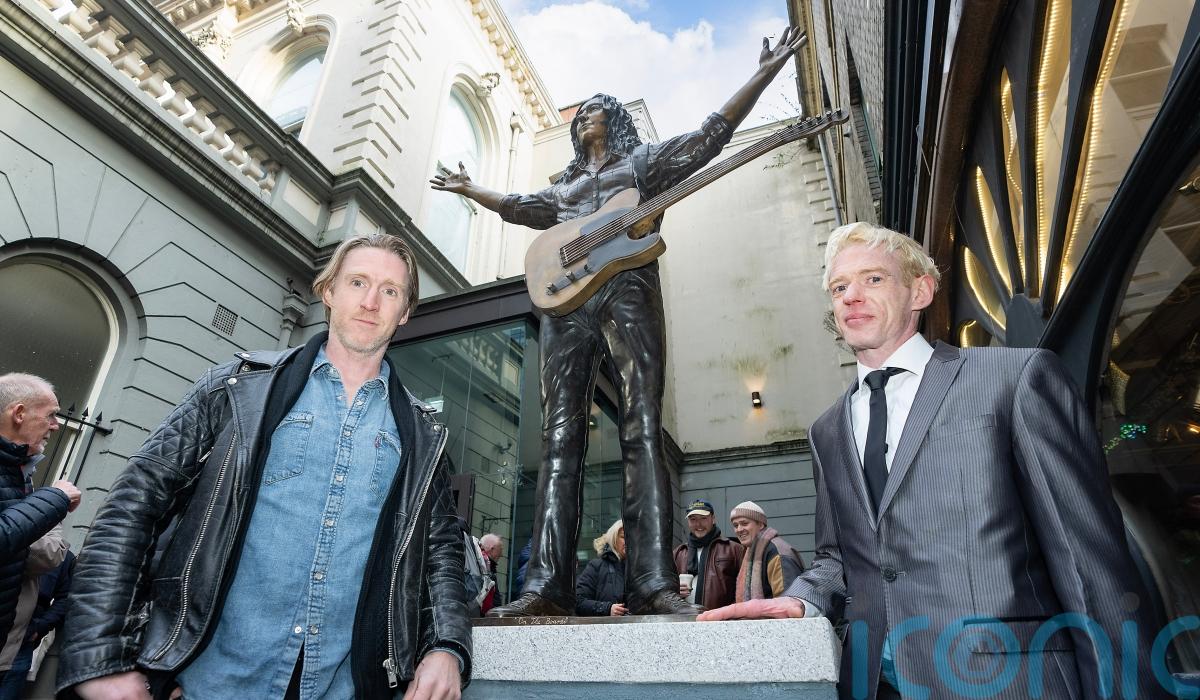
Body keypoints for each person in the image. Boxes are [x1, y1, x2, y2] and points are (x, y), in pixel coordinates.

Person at [699, 222, 1171, 699]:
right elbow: (838, 558)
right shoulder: (826, 430)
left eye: (873, 279)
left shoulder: (1014, 379)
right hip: (875, 684)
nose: (851, 296)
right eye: (839, 287)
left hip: (1006, 681)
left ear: (920, 291)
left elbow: (1087, 562)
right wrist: (802, 600)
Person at [434, 27, 807, 619]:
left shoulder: (641, 163)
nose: (585, 115)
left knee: (642, 425)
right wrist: (470, 188)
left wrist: (762, 74)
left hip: (629, 288)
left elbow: (709, 137)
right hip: (564, 303)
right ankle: (546, 587)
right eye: (580, 112)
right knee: (559, 439)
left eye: (596, 108)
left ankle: (652, 583)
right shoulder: (563, 188)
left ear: (616, 120)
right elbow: (518, 207)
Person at [58, 234, 471, 700]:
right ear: (329, 290)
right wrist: (99, 657)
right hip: (208, 683)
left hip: (342, 688)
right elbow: (132, 507)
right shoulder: (236, 389)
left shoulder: (422, 433)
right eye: (358, 282)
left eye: (390, 291)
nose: (371, 302)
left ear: (406, 311)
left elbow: (441, 553)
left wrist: (446, 647)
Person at [0, 374, 80, 690]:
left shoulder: (17, 472)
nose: (56, 425)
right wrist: (54, 498)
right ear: (19, 413)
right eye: (50, 415)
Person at [0, 550, 75, 699]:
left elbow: (65, 598)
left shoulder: (62, 555)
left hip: (23, 641)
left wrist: (40, 627)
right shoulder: (12, 541)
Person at [672, 499, 741, 610]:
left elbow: (745, 590)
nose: (698, 524)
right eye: (693, 519)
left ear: (713, 519)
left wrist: (730, 614)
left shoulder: (733, 549)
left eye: (703, 518)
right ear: (688, 522)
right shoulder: (678, 553)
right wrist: (675, 591)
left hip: (721, 618)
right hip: (685, 617)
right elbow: (665, 591)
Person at [728, 501, 803, 602]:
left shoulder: (777, 552)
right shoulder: (751, 551)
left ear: (760, 524)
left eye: (744, 523)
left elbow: (787, 603)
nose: (739, 529)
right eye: (735, 525)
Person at [575, 520, 626, 617]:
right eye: (623, 537)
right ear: (613, 540)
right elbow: (578, 601)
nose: (628, 541)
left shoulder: (641, 570)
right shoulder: (596, 566)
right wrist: (607, 609)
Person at [478, 533, 504, 607]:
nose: (501, 554)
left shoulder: (488, 565)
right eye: (500, 549)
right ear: (491, 549)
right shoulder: (481, 565)